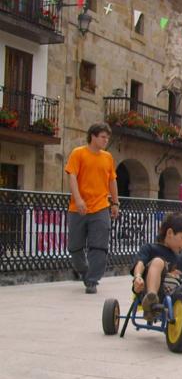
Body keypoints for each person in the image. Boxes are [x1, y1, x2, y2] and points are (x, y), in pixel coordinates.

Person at [131, 212, 182, 340]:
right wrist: (137, 277)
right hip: (155, 292)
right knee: (158, 262)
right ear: (170, 233)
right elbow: (140, 263)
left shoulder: (180, 259)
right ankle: (151, 302)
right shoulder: (150, 248)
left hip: (174, 297)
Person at [65, 123, 119, 294]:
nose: (106, 140)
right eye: (103, 137)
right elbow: (72, 177)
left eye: (107, 137)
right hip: (78, 208)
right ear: (93, 136)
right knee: (75, 246)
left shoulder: (108, 157)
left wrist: (115, 203)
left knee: (99, 246)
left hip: (101, 207)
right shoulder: (78, 153)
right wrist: (79, 199)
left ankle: (92, 280)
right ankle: (84, 270)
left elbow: (112, 181)